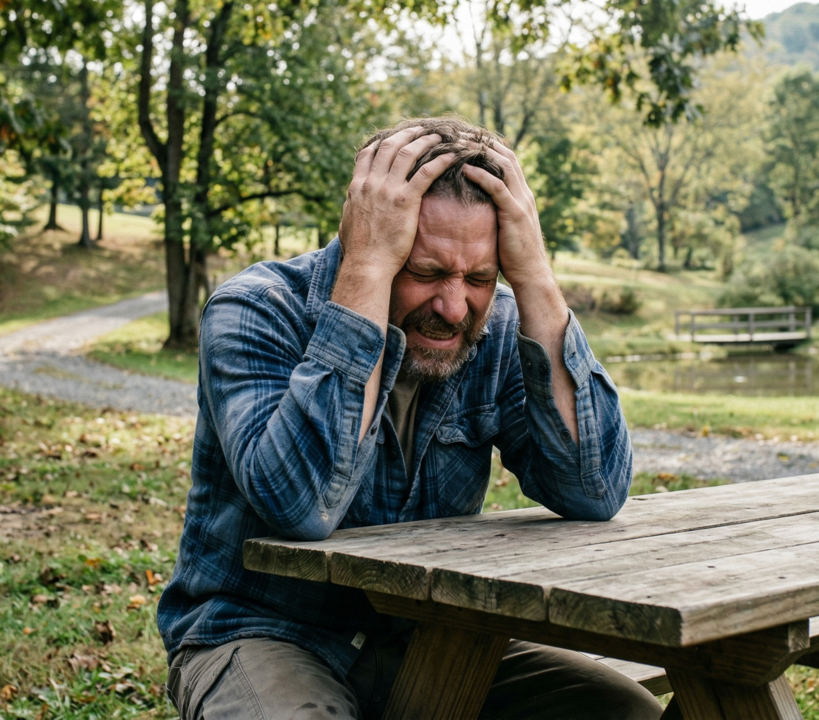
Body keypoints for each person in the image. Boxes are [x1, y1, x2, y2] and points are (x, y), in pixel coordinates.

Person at [156, 116, 658, 720]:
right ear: (366, 235)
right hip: (260, 629)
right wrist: (366, 273)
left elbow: (595, 489)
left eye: (479, 276)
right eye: (423, 272)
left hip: (435, 632)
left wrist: (535, 279)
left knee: (626, 714)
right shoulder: (255, 311)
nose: (453, 306)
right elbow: (300, 505)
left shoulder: (495, 324)